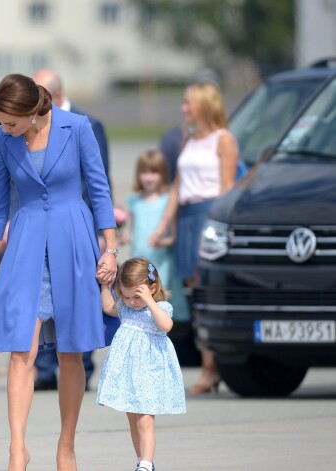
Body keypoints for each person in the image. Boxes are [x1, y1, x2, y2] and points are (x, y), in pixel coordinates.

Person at [0, 73, 118, 471]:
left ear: (31, 114)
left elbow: (99, 189)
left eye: (10, 122)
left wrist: (109, 249)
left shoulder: (77, 128)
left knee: (71, 352)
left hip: (73, 239)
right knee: (21, 349)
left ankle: (67, 446)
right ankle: (16, 449)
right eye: (0, 121)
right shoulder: (1, 140)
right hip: (25, 245)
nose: (3, 129)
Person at [151, 81, 239, 395]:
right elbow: (177, 186)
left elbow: (227, 187)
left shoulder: (223, 139)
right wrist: (164, 225)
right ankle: (209, 367)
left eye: (188, 102)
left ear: (203, 105)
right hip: (187, 216)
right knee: (193, 293)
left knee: (205, 291)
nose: (184, 108)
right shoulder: (188, 139)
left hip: (208, 214)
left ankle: (211, 369)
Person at [31, 68, 113, 392]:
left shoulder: (86, 124)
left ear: (55, 94)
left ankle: (82, 365)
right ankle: (46, 370)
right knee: (42, 299)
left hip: (79, 225)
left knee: (79, 300)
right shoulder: (19, 127)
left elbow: (99, 183)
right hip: (37, 226)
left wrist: (103, 235)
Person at [96, 257, 186, 471]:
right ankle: (142, 461)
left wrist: (149, 302)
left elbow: (166, 326)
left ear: (152, 288)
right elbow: (109, 307)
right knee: (133, 419)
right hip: (129, 371)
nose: (130, 302)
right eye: (125, 296)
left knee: (145, 419)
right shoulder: (126, 308)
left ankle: (146, 463)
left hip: (150, 371)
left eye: (135, 296)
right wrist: (105, 287)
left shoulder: (161, 307)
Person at [121, 150, 190, 324]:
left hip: (161, 263)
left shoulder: (167, 200)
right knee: (136, 301)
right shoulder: (134, 201)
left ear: (162, 174)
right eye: (144, 172)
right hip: (139, 260)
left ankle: (160, 333)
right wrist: (124, 236)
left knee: (158, 300)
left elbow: (173, 238)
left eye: (154, 172)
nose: (149, 178)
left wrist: (162, 241)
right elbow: (133, 230)